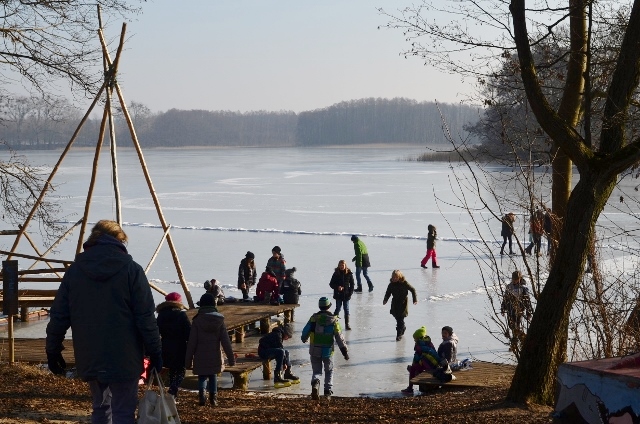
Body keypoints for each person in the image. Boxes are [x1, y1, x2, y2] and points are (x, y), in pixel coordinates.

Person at [45, 220, 162, 424]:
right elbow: (145, 317)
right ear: (119, 241)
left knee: (100, 408)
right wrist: (156, 351)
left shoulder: (75, 271)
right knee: (124, 411)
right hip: (125, 354)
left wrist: (52, 349)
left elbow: (59, 315)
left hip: (90, 352)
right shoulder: (132, 270)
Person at [185, 293, 235, 407]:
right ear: (213, 304)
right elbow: (226, 341)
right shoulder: (219, 320)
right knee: (213, 376)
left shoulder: (197, 321)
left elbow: (191, 343)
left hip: (200, 356)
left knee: (202, 376)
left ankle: (202, 396)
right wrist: (231, 359)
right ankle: (213, 398)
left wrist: (188, 361)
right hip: (215, 355)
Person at [301, 297, 349, 400]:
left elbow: (305, 331)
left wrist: (304, 338)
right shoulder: (333, 320)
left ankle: (315, 383)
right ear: (329, 306)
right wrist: (344, 352)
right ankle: (327, 392)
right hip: (328, 351)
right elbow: (339, 337)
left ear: (319, 306)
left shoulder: (314, 319)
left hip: (314, 349)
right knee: (329, 370)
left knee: (316, 371)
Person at [156, 292, 191, 401]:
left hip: (165, 345)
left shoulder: (161, 315)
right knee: (181, 370)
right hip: (180, 345)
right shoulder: (181, 315)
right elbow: (188, 332)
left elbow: (156, 331)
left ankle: (173, 393)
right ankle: (173, 389)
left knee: (171, 369)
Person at [401, 326, 441, 394]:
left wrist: (415, 364)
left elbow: (418, 357)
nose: (414, 340)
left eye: (415, 338)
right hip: (434, 364)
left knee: (413, 369)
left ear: (419, 338)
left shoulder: (419, 345)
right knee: (414, 368)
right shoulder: (429, 342)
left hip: (428, 365)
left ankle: (410, 388)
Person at [383, 270, 418, 341]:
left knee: (400, 318)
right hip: (395, 303)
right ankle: (403, 327)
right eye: (393, 277)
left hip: (403, 302)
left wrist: (414, 299)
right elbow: (388, 293)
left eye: (396, 277)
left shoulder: (404, 283)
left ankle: (399, 334)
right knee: (396, 316)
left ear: (399, 277)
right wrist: (385, 300)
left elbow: (413, 289)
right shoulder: (391, 285)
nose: (394, 279)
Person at [500, 270, 534, 341]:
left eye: (516, 279)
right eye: (513, 279)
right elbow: (505, 298)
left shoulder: (523, 288)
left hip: (519, 310)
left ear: (520, 278)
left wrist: (529, 312)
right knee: (511, 325)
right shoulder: (509, 287)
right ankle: (517, 338)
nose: (514, 281)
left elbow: (527, 301)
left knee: (517, 325)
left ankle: (516, 340)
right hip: (510, 309)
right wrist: (503, 308)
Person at [329, 259, 355, 330]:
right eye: (340, 265)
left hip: (346, 295)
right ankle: (333, 322)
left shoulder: (349, 273)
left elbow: (352, 284)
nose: (341, 267)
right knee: (338, 308)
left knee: (346, 309)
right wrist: (337, 287)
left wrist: (350, 293)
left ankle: (347, 324)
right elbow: (331, 284)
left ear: (345, 265)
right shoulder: (336, 273)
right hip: (338, 295)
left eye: (342, 265)